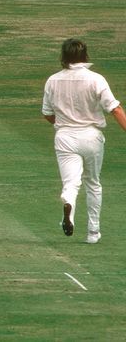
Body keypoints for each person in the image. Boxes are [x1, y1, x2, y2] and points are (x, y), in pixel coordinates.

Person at [42, 39, 126, 244]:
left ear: (64, 56)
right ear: (85, 56)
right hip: (91, 136)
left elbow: (46, 113)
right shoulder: (96, 79)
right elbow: (114, 108)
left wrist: (62, 121)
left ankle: (69, 206)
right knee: (93, 184)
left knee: (71, 183)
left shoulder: (52, 80)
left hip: (65, 137)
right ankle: (93, 232)